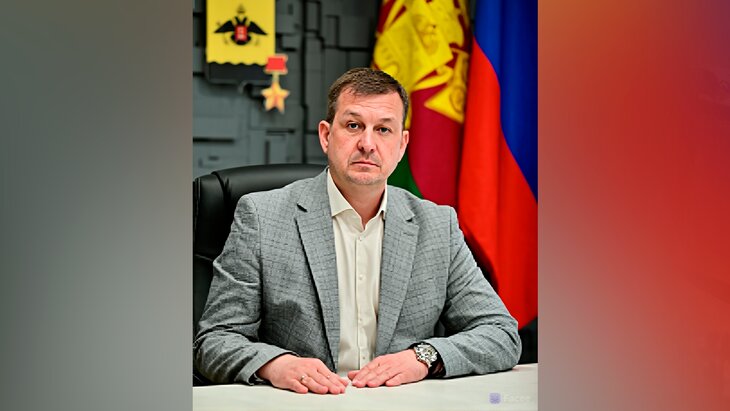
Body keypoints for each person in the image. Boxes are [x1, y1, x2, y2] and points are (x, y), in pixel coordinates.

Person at [193, 68, 521, 394]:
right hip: (302, 402)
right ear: (326, 136)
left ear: (402, 144)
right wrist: (277, 365)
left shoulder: (437, 226)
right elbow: (215, 341)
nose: (367, 144)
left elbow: (500, 333)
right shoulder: (262, 217)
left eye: (383, 130)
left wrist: (422, 357)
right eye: (353, 126)